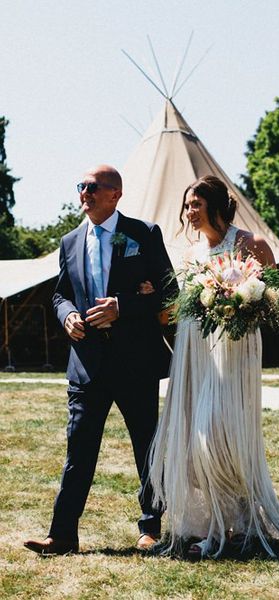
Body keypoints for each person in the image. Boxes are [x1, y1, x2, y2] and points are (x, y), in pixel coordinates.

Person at [147, 175, 279, 559]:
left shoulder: (249, 243)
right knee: (191, 441)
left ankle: (232, 526)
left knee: (219, 438)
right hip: (194, 350)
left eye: (196, 205)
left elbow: (277, 296)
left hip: (233, 351)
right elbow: (180, 305)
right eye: (187, 205)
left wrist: (242, 302)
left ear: (216, 206)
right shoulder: (189, 255)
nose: (189, 212)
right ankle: (219, 525)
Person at [24, 165, 177, 555]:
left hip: (134, 361)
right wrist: (67, 315)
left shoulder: (143, 234)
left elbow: (169, 293)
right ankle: (62, 535)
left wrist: (123, 307)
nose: (84, 193)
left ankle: (151, 529)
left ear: (115, 195)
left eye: (92, 187)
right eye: (81, 187)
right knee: (79, 449)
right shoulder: (69, 241)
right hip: (86, 363)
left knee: (146, 446)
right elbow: (60, 295)